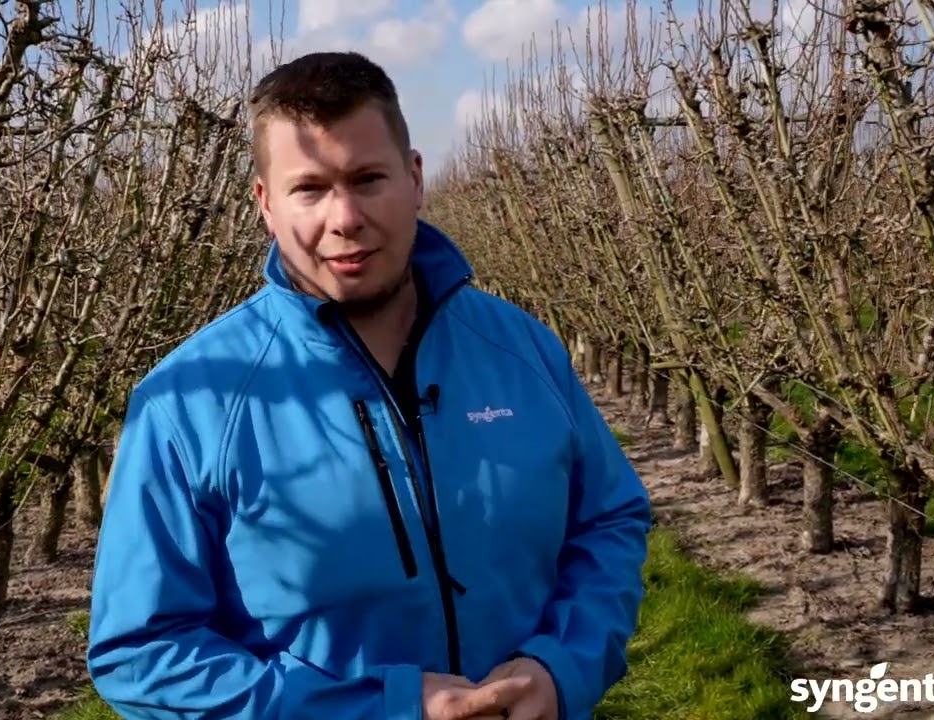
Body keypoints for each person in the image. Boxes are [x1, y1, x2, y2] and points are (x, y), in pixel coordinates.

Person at [86, 50, 652, 720]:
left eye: (367, 178)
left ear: (414, 179)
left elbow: (609, 519)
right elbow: (143, 651)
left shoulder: (523, 348)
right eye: (310, 189)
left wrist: (563, 667)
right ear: (266, 205)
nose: (345, 217)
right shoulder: (186, 403)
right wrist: (376, 709)